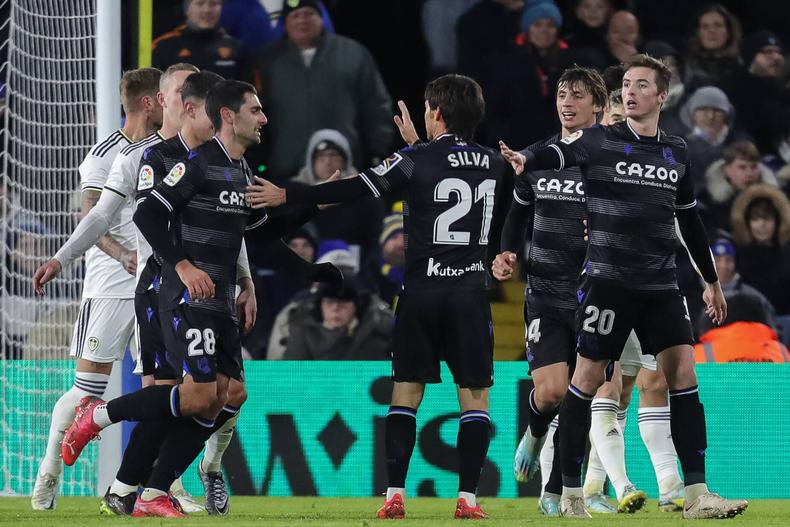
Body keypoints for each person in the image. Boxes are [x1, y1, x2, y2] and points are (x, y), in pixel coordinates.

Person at [59, 80, 339, 518]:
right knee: (193, 397)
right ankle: (100, 425)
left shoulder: (240, 170)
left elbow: (260, 232)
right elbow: (148, 213)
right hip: (181, 295)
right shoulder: (192, 163)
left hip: (220, 298)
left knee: (225, 396)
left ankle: (148, 492)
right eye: (256, 110)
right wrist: (183, 267)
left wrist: (311, 241)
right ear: (228, 115)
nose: (264, 118)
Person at [247, 74, 515, 519]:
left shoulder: (414, 159)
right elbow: (451, 169)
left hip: (421, 295)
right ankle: (467, 500)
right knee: (475, 399)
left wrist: (288, 192)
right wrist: (418, 148)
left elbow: (357, 187)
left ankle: (394, 494)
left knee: (405, 394)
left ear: (437, 114)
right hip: (469, 293)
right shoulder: (492, 162)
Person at [500, 54, 748, 519]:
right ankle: (570, 492)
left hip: (660, 287)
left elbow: (690, 221)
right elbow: (559, 153)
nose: (630, 91)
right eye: (626, 84)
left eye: (640, 85)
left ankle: (696, 496)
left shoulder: (675, 152)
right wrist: (525, 157)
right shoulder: (599, 141)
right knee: (587, 384)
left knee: (684, 379)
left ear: (662, 96)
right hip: (607, 286)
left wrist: (710, 282)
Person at [29, 67, 163, 511]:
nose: (169, 104)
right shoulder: (106, 154)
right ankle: (49, 469)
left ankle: (163, 486)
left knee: (160, 386)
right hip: (108, 288)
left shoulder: (166, 151)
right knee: (87, 391)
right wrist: (122, 253)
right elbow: (92, 216)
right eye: (163, 97)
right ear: (149, 102)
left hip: (154, 286)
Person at [255, 0, 393, 182]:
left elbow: (376, 105)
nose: (302, 21)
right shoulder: (268, 61)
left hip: (343, 170)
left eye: (308, 14)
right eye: (295, 16)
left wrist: (377, 152)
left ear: (321, 19)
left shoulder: (352, 53)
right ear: (285, 23)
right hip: (286, 173)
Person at [291, 129, 384, 264]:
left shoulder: (366, 195)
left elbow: (377, 241)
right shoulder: (294, 195)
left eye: (334, 156)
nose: (328, 163)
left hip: (355, 272)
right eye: (321, 157)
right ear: (311, 162)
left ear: (346, 161)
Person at [281, 281, 393, 360]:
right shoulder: (303, 328)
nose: (336, 309)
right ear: (320, 306)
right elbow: (293, 373)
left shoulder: (376, 329)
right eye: (329, 302)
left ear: (355, 307)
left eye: (343, 303)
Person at [730, 184, 790, 318]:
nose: (761, 224)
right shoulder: (736, 256)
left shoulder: (787, 255)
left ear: (778, 221)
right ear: (746, 222)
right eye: (755, 218)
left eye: (767, 218)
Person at [152, 0, 249, 81]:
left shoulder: (236, 48)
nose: (207, 10)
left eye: (213, 4)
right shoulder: (164, 46)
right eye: (200, 3)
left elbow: (251, 93)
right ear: (187, 9)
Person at [731, 31, 790, 157]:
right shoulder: (738, 85)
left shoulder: (775, 85)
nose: (777, 57)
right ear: (751, 57)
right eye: (768, 52)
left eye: (779, 52)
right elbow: (774, 120)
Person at [703, 140, 777, 233]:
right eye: (742, 167)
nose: (749, 173)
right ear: (727, 170)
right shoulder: (707, 201)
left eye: (753, 167)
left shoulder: (775, 200)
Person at [683, 4, 742, 95]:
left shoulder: (742, 67)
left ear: (729, 32)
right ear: (698, 34)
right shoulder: (685, 68)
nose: (712, 31)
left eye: (718, 25)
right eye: (705, 27)